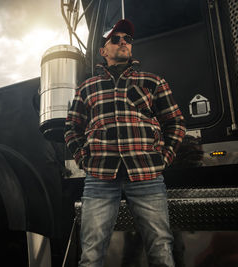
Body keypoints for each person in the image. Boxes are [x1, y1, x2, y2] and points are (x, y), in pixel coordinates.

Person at [64, 19, 186, 267]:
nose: (123, 42)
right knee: (90, 254)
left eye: (127, 39)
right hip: (99, 178)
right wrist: (83, 159)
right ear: (103, 51)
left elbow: (175, 123)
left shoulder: (153, 82)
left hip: (147, 175)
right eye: (115, 39)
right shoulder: (87, 88)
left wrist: (164, 158)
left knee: (161, 249)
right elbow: (72, 128)